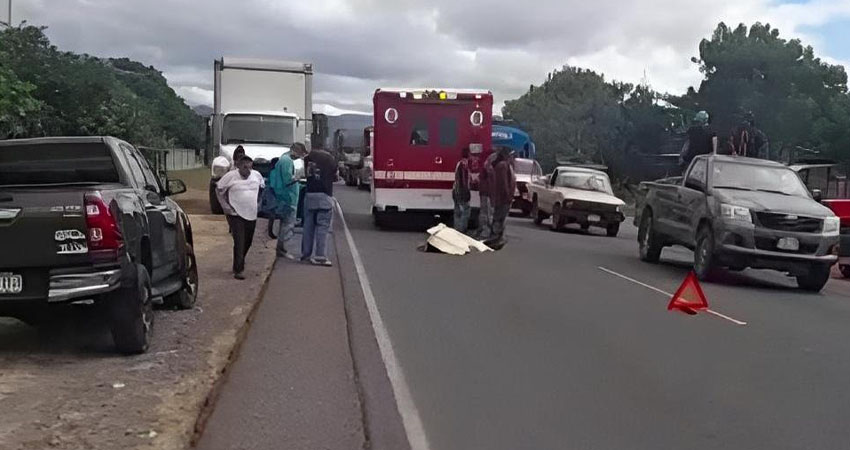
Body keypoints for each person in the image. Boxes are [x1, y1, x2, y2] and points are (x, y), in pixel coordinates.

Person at [216, 156, 265, 279]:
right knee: (239, 240)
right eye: (245, 167)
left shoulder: (257, 176)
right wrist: (225, 206)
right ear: (238, 166)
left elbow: (262, 189)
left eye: (250, 167)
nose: (248, 170)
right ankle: (239, 269)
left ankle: (239, 260)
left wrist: (259, 203)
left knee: (248, 241)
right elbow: (219, 190)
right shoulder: (230, 176)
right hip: (235, 213)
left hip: (251, 213)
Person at [301, 146, 338, 266]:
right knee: (323, 227)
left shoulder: (308, 159)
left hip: (310, 194)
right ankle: (320, 256)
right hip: (325, 195)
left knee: (308, 226)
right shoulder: (331, 160)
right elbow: (335, 177)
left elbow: (303, 174)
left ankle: (306, 254)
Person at [271, 143, 305, 260]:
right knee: (288, 225)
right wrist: (298, 177)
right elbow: (287, 179)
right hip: (288, 197)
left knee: (284, 224)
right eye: (300, 154)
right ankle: (282, 249)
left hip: (284, 196)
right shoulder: (287, 161)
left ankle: (281, 248)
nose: (300, 157)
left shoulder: (283, 159)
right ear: (295, 151)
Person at [487, 147, 516, 249]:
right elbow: (503, 183)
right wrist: (507, 195)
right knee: (499, 217)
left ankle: (497, 238)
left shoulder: (504, 165)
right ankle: (495, 239)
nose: (513, 157)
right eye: (511, 155)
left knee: (499, 217)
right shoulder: (503, 166)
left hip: (502, 197)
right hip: (503, 197)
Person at [475, 151, 498, 239]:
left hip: (484, 192)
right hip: (488, 193)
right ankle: (487, 231)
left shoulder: (484, 169)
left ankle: (483, 230)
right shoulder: (490, 170)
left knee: (484, 212)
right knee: (488, 212)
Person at [452, 148, 472, 232]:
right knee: (466, 210)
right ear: (468, 154)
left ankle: (456, 229)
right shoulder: (464, 165)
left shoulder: (459, 164)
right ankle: (462, 229)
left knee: (457, 211)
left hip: (455, 190)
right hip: (461, 191)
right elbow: (463, 181)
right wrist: (466, 191)